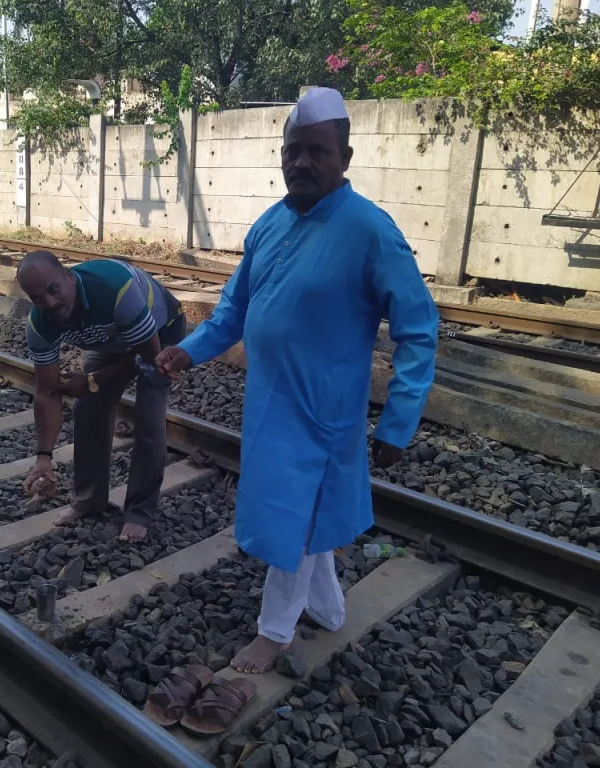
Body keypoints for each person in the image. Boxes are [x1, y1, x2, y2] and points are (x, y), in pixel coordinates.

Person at [156, 87, 438, 673]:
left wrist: (398, 420)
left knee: (298, 514)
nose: (302, 162)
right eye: (293, 151)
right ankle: (329, 611)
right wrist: (187, 351)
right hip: (268, 406)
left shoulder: (371, 231)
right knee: (304, 513)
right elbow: (233, 310)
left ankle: (274, 631)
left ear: (345, 158)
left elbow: (418, 330)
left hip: (323, 414)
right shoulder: (269, 225)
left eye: (316, 151)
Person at [18, 251, 186, 542]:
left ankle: (138, 513)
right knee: (88, 410)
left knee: (148, 419)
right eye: (38, 299)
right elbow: (47, 391)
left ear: (69, 277)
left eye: (53, 289)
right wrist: (43, 458)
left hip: (161, 334)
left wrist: (94, 380)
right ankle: (88, 500)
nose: (50, 303)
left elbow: (146, 356)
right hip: (111, 338)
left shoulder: (116, 292)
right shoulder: (39, 325)